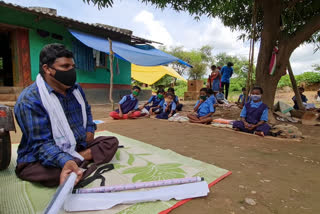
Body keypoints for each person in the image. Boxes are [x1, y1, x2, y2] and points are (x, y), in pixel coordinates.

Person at [14, 44, 119, 187]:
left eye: (73, 66)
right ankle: (76, 161)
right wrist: (64, 160)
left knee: (111, 142)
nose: (71, 71)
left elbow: (87, 110)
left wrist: (89, 129)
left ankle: (77, 160)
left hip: (77, 145)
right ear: (47, 69)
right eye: (65, 66)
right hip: (42, 155)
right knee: (54, 173)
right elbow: (41, 145)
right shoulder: (29, 100)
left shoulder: (76, 88)